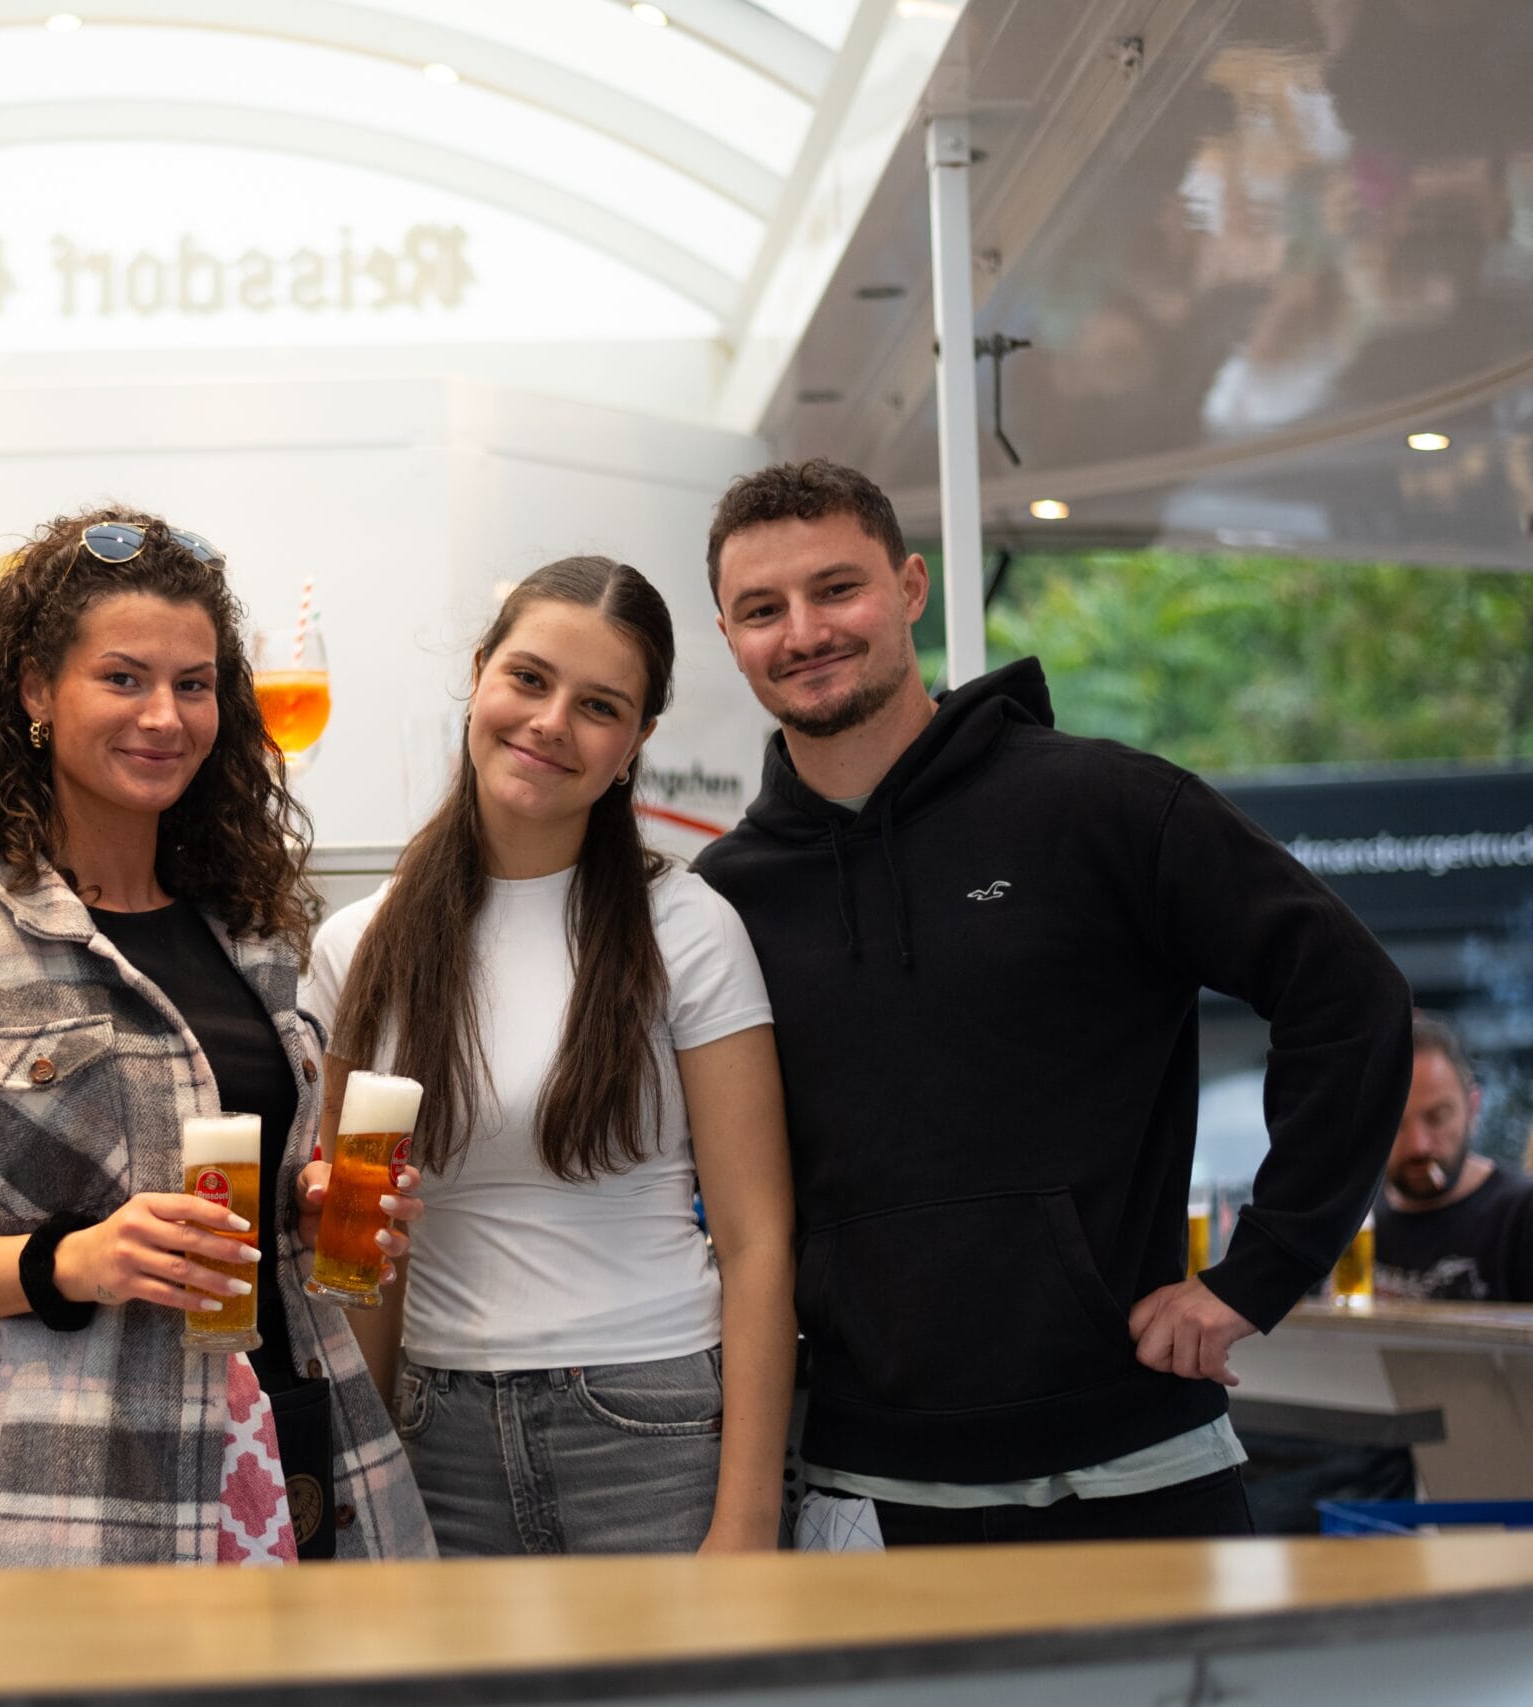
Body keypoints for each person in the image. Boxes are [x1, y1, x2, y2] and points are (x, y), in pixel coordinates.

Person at [691, 460, 1412, 1547]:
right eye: (762, 610)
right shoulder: (725, 899)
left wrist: (1258, 1273)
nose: (804, 632)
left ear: (911, 587)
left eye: (836, 589)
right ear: (729, 636)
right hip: (868, 1490)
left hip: (1141, 1474)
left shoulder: (1098, 804)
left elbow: (1349, 996)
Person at [0, 507, 434, 1570]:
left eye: (194, 684)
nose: (165, 716)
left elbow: (243, 1217)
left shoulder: (254, 943)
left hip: (291, 1458)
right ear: (36, 692)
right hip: (69, 1512)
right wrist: (70, 1261)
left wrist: (309, 1208)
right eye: (123, 678)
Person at [300, 557, 796, 1556]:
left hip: (650, 1429)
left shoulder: (687, 927)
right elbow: (358, 1256)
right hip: (433, 1438)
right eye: (527, 679)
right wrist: (361, 1485)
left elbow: (757, 1242)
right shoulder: (358, 945)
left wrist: (745, 1522)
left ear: (636, 743)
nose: (550, 722)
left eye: (598, 705)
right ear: (478, 675)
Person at [1376, 1012, 1533, 1301]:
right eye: (1395, 1122)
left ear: (1472, 1109)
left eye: (1437, 1117)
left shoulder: (1520, 1213)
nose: (1419, 1146)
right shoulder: (1354, 1216)